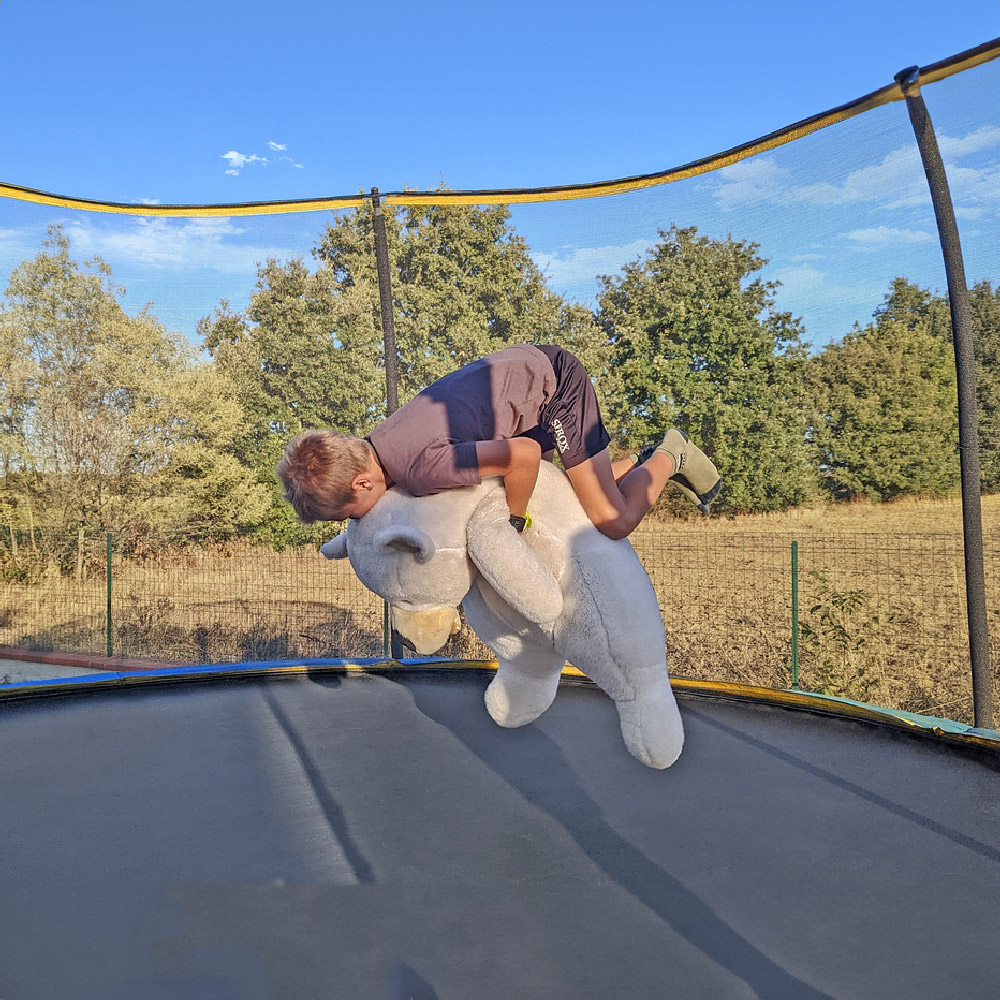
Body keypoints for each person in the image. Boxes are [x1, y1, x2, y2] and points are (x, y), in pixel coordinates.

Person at [277, 343, 721, 540]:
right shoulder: (379, 441)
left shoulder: (419, 470)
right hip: (518, 376)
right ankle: (638, 461)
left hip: (552, 385)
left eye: (348, 516)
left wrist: (514, 519)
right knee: (566, 501)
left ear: (360, 484)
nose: (355, 523)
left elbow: (523, 455)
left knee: (612, 521)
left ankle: (670, 452)